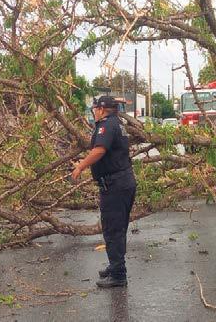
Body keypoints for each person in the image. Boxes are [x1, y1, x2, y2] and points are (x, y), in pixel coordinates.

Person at [72, 96, 137, 288]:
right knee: (118, 227)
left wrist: (80, 167)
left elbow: (99, 150)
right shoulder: (117, 123)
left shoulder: (106, 125)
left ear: (101, 109)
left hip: (115, 185)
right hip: (122, 182)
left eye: (94, 109)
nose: (93, 112)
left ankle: (118, 275)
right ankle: (116, 265)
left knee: (113, 229)